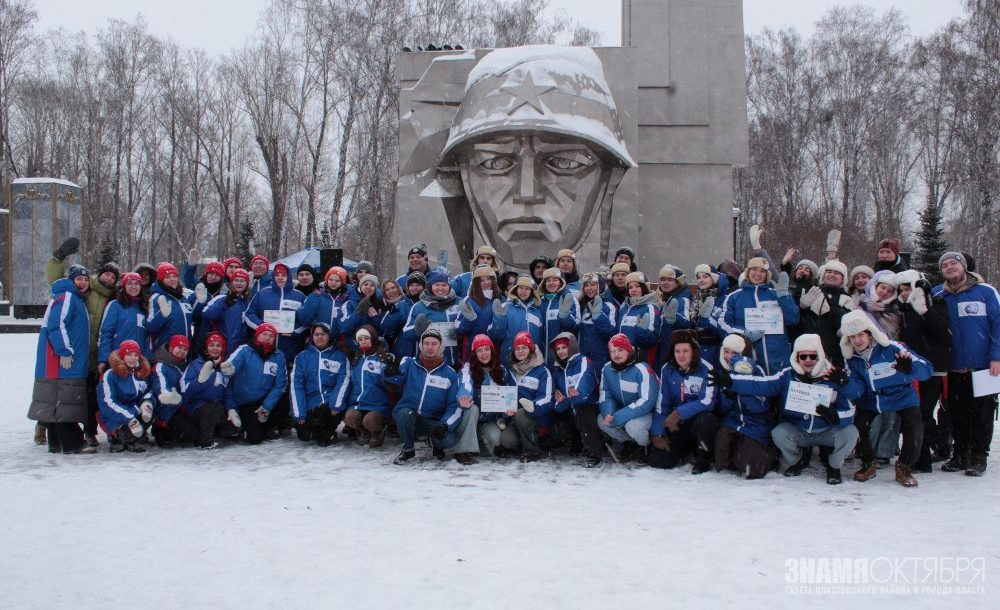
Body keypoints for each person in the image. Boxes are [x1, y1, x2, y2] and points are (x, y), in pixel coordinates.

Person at [714, 333, 860, 485]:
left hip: (827, 429)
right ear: (797, 358)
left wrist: (836, 415)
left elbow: (850, 406)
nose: (808, 360)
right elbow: (762, 384)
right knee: (779, 432)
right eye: (803, 357)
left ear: (819, 356)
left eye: (812, 356)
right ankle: (798, 460)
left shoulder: (832, 375)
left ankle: (833, 466)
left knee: (851, 432)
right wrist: (732, 382)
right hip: (800, 429)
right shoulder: (787, 375)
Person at [840, 310, 932, 487]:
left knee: (915, 426)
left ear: (869, 333)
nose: (857, 340)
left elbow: (926, 369)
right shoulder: (852, 359)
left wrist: (909, 368)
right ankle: (867, 463)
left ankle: (904, 466)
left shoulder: (893, 348)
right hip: (872, 399)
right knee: (859, 425)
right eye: (852, 337)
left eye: (860, 335)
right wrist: (844, 383)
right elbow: (856, 392)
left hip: (902, 395)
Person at [45, 239, 119, 447]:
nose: (109, 278)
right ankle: (49, 428)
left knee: (90, 396)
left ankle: (87, 431)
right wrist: (57, 259)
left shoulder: (113, 298)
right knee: (67, 393)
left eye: (113, 277)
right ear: (99, 274)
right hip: (75, 351)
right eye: (106, 274)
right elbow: (56, 281)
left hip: (96, 353)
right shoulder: (84, 292)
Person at [932, 251, 1000, 476]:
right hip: (954, 367)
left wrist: (996, 357)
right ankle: (960, 454)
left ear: (964, 267)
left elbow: (998, 325)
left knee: (983, 414)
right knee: (958, 413)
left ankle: (979, 456)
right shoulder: (938, 296)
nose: (950, 267)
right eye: (945, 265)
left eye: (954, 263)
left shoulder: (985, 292)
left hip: (984, 367)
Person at [28, 266, 96, 454]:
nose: (83, 283)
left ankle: (56, 443)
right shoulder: (67, 297)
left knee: (56, 401)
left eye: (86, 279)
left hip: (59, 361)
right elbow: (56, 325)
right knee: (65, 400)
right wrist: (64, 350)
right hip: (62, 361)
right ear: (71, 280)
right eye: (79, 279)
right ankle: (73, 443)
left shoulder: (73, 297)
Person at [895, 270, 953, 471]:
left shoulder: (933, 304)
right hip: (910, 368)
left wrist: (925, 312)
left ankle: (936, 447)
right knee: (915, 414)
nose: (903, 293)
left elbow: (945, 334)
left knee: (922, 414)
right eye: (900, 289)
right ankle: (924, 456)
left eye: (907, 288)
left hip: (931, 368)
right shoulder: (903, 310)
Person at [385, 328, 463, 464]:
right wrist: (390, 373)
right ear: (421, 345)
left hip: (433, 420)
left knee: (449, 440)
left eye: (434, 343)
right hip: (410, 415)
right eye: (426, 343)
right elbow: (395, 380)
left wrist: (445, 425)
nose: (430, 347)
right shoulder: (409, 363)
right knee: (404, 414)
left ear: (441, 346)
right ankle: (408, 450)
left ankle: (436, 442)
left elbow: (454, 405)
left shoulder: (450, 374)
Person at [649, 330, 718, 473]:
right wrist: (657, 432)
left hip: (697, 422)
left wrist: (679, 413)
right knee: (658, 461)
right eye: (677, 351)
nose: (681, 355)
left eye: (685, 351)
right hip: (677, 426)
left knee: (707, 420)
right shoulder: (667, 369)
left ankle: (702, 460)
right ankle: (685, 450)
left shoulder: (707, 369)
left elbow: (707, 401)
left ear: (693, 351)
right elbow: (662, 406)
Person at [710, 333, 776, 479]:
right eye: (726, 352)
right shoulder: (722, 373)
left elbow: (761, 406)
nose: (729, 356)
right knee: (721, 463)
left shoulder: (757, 371)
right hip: (732, 421)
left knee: (751, 470)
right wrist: (728, 397)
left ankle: (766, 454)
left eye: (735, 353)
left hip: (756, 423)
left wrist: (740, 390)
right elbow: (721, 408)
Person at [718, 257, 799, 375]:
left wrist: (783, 296)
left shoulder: (776, 294)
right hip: (749, 361)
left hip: (779, 361)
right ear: (748, 272)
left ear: (767, 275)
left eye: (762, 271)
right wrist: (744, 334)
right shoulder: (734, 297)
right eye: (754, 269)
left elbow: (793, 319)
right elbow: (722, 325)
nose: (758, 274)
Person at [219, 323, 288, 445]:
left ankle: (270, 426)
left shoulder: (279, 356)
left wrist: (267, 406)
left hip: (264, 401)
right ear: (257, 335)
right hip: (244, 402)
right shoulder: (245, 350)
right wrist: (229, 369)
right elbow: (231, 364)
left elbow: (280, 384)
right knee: (255, 439)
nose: (267, 338)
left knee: (283, 400)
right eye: (264, 334)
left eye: (271, 336)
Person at [150, 335, 219, 449]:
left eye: (185, 349)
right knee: (191, 433)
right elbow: (160, 385)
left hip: (182, 407)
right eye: (179, 348)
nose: (182, 352)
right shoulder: (161, 366)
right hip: (166, 409)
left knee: (200, 428)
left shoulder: (184, 365)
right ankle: (161, 431)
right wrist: (168, 396)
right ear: (171, 348)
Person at [598, 333, 658, 461]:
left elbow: (647, 401)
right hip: (624, 410)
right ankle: (630, 443)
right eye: (612, 351)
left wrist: (618, 417)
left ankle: (646, 445)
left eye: (620, 350)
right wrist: (609, 413)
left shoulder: (642, 369)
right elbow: (605, 394)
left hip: (647, 413)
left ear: (629, 350)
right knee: (602, 421)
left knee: (633, 426)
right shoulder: (607, 369)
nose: (616, 355)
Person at [290, 322, 350, 446]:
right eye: (316, 334)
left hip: (330, 404)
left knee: (323, 439)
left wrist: (335, 404)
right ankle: (318, 429)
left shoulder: (339, 357)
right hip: (310, 404)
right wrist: (299, 412)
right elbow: (296, 385)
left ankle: (327, 432)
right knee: (304, 436)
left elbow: (343, 381)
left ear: (329, 336)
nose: (319, 337)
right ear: (312, 337)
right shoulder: (302, 357)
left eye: (323, 334)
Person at [498, 331, 553, 462]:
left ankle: (532, 451)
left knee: (522, 413)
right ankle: (529, 442)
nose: (520, 351)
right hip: (516, 420)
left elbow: (548, 398)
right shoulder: (511, 372)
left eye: (524, 348)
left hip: (537, 418)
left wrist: (533, 406)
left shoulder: (542, 371)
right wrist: (505, 413)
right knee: (507, 440)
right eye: (517, 348)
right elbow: (505, 397)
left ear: (531, 350)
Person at [549, 332, 602, 467]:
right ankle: (577, 443)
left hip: (589, 406)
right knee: (558, 423)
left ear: (572, 346)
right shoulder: (557, 370)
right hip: (570, 408)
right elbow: (557, 401)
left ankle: (594, 453)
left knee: (583, 412)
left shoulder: (584, 361)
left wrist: (569, 399)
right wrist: (563, 402)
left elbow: (583, 390)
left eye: (564, 347)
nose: (561, 351)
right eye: (558, 349)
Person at [97, 340, 153, 453]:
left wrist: (147, 403)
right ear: (122, 356)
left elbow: (148, 391)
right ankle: (117, 438)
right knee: (124, 434)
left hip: (134, 410)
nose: (132, 358)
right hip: (114, 414)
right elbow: (107, 402)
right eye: (129, 355)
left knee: (150, 414)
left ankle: (133, 438)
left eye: (136, 355)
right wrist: (130, 419)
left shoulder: (141, 372)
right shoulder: (110, 375)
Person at [457, 334, 508, 458]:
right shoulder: (467, 369)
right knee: (472, 408)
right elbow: (465, 385)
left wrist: (507, 412)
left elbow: (508, 395)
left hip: (488, 421)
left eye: (487, 349)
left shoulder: (501, 370)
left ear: (492, 351)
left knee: (496, 440)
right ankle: (463, 450)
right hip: (469, 418)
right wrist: (465, 397)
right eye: (479, 350)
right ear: (475, 354)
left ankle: (477, 444)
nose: (484, 353)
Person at [795, 260, 855, 366]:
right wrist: (802, 308)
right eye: (829, 272)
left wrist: (832, 304)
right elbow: (796, 322)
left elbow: (843, 326)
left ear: (842, 279)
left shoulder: (847, 299)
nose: (831, 275)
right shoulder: (812, 292)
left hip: (833, 354)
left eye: (836, 273)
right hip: (808, 352)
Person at [343, 325, 393, 448]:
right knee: (350, 416)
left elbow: (392, 380)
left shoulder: (383, 356)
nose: (363, 341)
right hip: (358, 402)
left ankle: (377, 432)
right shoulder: (357, 357)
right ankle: (363, 431)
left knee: (370, 420)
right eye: (360, 339)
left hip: (378, 404)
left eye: (366, 338)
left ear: (373, 338)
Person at [400, 266, 461, 366]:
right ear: (430, 286)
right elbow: (406, 332)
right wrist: (417, 330)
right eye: (436, 285)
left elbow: (470, 326)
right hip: (429, 363)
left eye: (444, 285)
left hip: (455, 361)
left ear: (449, 286)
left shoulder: (460, 303)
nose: (440, 288)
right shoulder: (419, 307)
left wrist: (461, 328)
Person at [180, 332, 231, 447]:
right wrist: (199, 382)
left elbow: (228, 392)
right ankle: (204, 442)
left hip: (217, 406)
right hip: (196, 406)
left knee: (233, 429)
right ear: (206, 347)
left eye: (218, 345)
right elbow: (185, 391)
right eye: (212, 345)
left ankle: (210, 430)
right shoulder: (195, 365)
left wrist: (232, 410)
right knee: (212, 410)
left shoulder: (224, 367)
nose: (215, 348)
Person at [98, 272, 151, 373]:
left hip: (138, 361)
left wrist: (147, 360)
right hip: (118, 359)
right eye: (130, 283)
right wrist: (103, 359)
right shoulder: (115, 305)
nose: (133, 287)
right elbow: (105, 333)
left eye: (136, 284)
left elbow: (147, 338)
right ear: (124, 286)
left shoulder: (144, 308)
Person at [488, 274, 543, 361]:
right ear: (515, 289)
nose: (523, 291)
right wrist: (499, 319)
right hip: (510, 358)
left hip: (532, 359)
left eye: (527, 289)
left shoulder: (536, 312)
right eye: (520, 288)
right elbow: (495, 336)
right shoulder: (505, 307)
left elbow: (539, 339)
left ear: (532, 291)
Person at [297, 266, 356, 343]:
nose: (333, 283)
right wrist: (312, 300)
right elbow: (304, 319)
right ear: (326, 280)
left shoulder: (347, 298)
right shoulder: (318, 296)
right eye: (330, 280)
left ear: (342, 282)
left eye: (337, 281)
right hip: (318, 340)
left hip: (339, 342)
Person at [201, 268, 253, 355]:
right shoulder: (221, 298)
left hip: (242, 350)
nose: (239, 283)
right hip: (224, 348)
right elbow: (207, 315)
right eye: (236, 280)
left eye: (242, 281)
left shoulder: (249, 302)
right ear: (231, 282)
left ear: (247, 284)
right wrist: (224, 303)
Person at [535, 267, 580, 361]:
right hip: (542, 353)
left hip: (562, 353)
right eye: (548, 280)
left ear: (561, 282)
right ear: (544, 284)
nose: (551, 283)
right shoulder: (540, 302)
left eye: (555, 280)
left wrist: (565, 317)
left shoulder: (568, 298)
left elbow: (576, 327)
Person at [147, 263, 192, 353]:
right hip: (166, 351)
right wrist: (162, 315)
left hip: (185, 350)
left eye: (174, 276)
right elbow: (151, 327)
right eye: (167, 277)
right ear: (161, 280)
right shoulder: (157, 298)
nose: (172, 279)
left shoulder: (183, 299)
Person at [654, 265, 692, 369]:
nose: (665, 283)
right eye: (662, 279)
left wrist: (674, 318)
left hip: (673, 348)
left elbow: (686, 322)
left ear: (678, 282)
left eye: (670, 280)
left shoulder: (683, 299)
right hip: (659, 348)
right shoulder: (659, 298)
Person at [456, 265, 498, 360]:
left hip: (495, 350)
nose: (486, 282)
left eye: (488, 279)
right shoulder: (469, 300)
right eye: (481, 280)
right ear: (476, 283)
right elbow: (458, 329)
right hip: (473, 350)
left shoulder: (501, 299)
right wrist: (469, 320)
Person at [577, 272, 617, 372]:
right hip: (584, 355)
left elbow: (611, 333)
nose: (589, 288)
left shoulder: (608, 306)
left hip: (601, 356)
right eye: (586, 285)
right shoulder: (583, 306)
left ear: (601, 286)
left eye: (593, 284)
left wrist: (599, 316)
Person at [615, 271, 660, 355]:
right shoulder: (624, 307)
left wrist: (642, 331)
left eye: (637, 286)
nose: (633, 290)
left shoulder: (650, 307)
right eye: (630, 287)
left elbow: (653, 340)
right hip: (622, 356)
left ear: (644, 287)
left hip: (640, 356)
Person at [188, 260, 229, 352]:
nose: (213, 277)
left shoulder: (226, 293)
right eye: (211, 273)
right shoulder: (198, 291)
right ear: (206, 274)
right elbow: (193, 318)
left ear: (222, 277)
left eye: (217, 275)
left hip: (221, 335)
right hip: (201, 335)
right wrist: (200, 302)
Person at [691, 264, 726, 365]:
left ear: (714, 278)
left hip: (715, 351)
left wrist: (707, 321)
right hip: (698, 350)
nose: (701, 280)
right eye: (698, 277)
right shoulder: (697, 299)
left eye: (705, 276)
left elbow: (723, 329)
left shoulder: (724, 299)